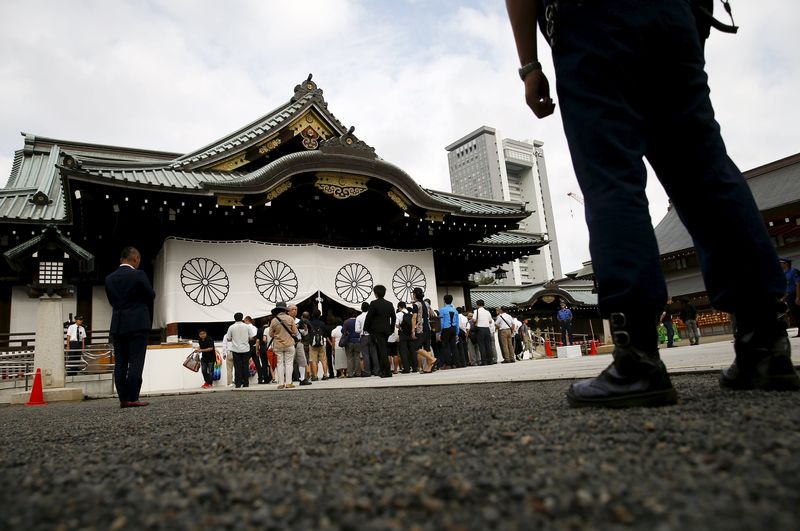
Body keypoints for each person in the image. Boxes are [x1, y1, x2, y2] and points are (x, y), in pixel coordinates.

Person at [506, 0, 800, 407]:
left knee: (611, 178)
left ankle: (638, 357)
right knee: (704, 169)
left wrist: (529, 65)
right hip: (673, 14)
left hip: (588, 21)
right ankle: (764, 344)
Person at [105, 246, 156, 408]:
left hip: (118, 324)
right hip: (137, 323)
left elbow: (112, 301)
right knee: (136, 361)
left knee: (120, 361)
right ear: (136, 259)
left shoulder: (109, 279)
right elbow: (151, 295)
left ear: (121, 260)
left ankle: (123, 398)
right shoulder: (138, 275)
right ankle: (133, 397)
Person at [364, 284, 396, 378]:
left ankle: (386, 371)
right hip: (386, 330)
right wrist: (391, 329)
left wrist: (366, 328)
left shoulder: (374, 303)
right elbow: (393, 317)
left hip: (377, 330)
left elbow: (369, 316)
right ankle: (385, 371)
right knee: (383, 349)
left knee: (381, 350)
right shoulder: (389, 304)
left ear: (376, 293)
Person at [269, 301, 298, 389]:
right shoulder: (290, 319)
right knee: (289, 363)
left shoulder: (274, 320)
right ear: (285, 309)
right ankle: (289, 383)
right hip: (289, 344)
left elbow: (270, 334)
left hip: (278, 345)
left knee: (280, 363)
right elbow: (296, 332)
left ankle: (281, 383)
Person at [410, 287, 438, 373]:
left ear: (414, 295)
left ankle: (432, 359)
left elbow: (414, 318)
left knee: (417, 347)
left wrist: (413, 331)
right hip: (428, 327)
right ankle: (429, 367)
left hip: (420, 328)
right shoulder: (426, 303)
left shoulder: (416, 305)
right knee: (427, 348)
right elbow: (433, 314)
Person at [225, 312, 255, 388]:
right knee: (245, 366)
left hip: (235, 350)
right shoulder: (247, 326)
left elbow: (228, 339)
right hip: (245, 349)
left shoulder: (231, 327)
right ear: (242, 318)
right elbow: (252, 337)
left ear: (234, 318)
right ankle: (246, 383)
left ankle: (238, 383)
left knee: (237, 367)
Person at [439, 294, 461, 369]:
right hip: (453, 328)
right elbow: (458, 323)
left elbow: (441, 322)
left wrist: (440, 332)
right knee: (454, 346)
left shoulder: (442, 310)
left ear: (444, 301)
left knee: (445, 346)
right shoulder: (455, 310)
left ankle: (448, 364)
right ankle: (455, 363)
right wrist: (457, 333)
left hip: (446, 329)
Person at [780, 258, 800, 337]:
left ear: (786, 264)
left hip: (795, 294)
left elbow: (798, 284)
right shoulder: (784, 273)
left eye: (781, 263)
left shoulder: (793, 271)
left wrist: (798, 297)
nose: (780, 265)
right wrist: (784, 297)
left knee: (798, 313)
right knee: (795, 314)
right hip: (789, 296)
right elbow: (787, 287)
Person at [471, 300, 494, 365]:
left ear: (477, 305)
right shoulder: (487, 312)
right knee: (488, 345)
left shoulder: (476, 311)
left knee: (481, 345)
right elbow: (490, 321)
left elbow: (474, 320)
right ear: (484, 304)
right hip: (487, 329)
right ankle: (490, 360)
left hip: (480, 329)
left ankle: (484, 361)